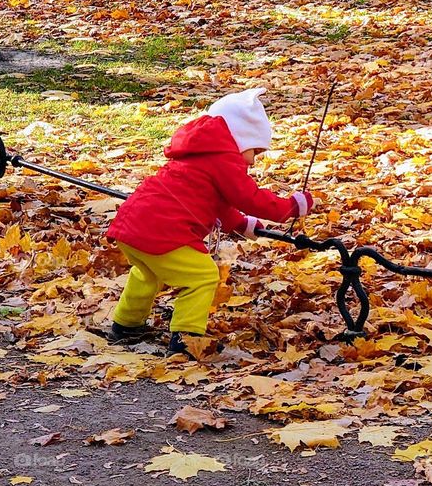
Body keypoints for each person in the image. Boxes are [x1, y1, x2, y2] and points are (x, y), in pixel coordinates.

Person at [105, 88, 316, 354]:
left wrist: (240, 224)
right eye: (255, 151)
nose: (253, 160)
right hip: (163, 231)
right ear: (241, 137)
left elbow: (217, 202)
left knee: (148, 273)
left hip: (132, 226)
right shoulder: (223, 158)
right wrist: (290, 207)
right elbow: (248, 197)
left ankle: (126, 325)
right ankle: (186, 338)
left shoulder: (201, 153)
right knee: (203, 275)